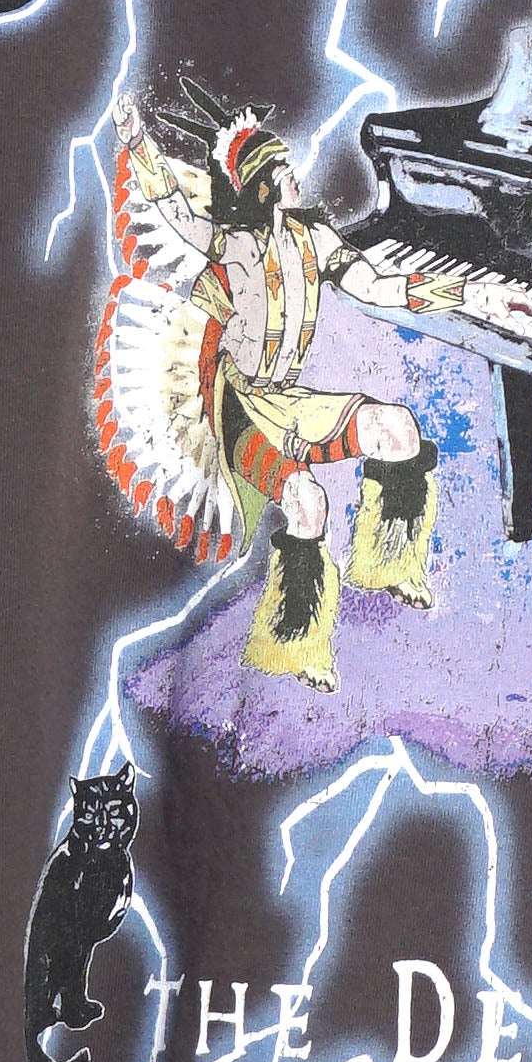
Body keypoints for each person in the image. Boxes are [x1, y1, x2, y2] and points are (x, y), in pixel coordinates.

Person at [94, 98, 454, 685]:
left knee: (399, 431)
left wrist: (466, 294)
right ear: (261, 188)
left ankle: (391, 561)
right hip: (237, 406)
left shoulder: (315, 239)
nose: (295, 178)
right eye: (283, 172)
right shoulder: (228, 245)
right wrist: (137, 143)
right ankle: (292, 645)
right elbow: (172, 208)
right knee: (307, 503)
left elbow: (376, 286)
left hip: (287, 399)